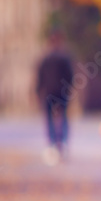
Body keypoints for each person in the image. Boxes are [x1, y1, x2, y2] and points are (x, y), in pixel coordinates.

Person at [35, 29, 74, 164]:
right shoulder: (64, 57)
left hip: (49, 92)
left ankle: (52, 144)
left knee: (50, 119)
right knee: (62, 118)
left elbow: (39, 78)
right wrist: (69, 89)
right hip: (61, 92)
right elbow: (70, 76)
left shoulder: (45, 58)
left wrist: (38, 91)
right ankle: (61, 143)